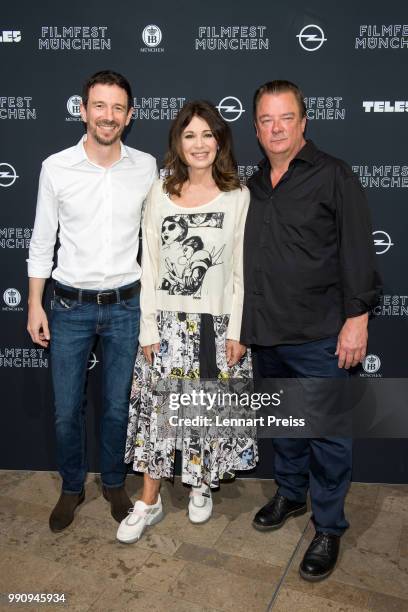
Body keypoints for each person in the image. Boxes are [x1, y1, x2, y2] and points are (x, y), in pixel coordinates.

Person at [241, 80, 381, 581]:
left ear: (304, 121)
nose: (276, 128)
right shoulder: (252, 183)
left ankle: (328, 526)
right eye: (266, 120)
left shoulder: (333, 175)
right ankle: (290, 495)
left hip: (322, 334)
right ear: (255, 128)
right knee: (286, 427)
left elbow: (358, 253)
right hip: (268, 333)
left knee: (328, 435)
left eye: (286, 117)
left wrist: (357, 319)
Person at [116, 100, 257, 544]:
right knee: (157, 414)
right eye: (190, 135)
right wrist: (148, 327)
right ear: (178, 142)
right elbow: (151, 265)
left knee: (206, 408)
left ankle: (200, 484)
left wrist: (237, 329)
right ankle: (149, 500)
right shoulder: (159, 192)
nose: (199, 144)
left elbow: (239, 271)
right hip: (167, 324)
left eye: (207, 135)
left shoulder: (238, 195)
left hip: (214, 325)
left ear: (220, 142)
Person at [27, 70, 156, 532]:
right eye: (99, 106)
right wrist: (34, 304)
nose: (108, 116)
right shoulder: (56, 167)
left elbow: (155, 240)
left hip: (126, 305)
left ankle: (115, 482)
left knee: (119, 405)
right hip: (69, 306)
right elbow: (43, 241)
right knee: (66, 408)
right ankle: (72, 485)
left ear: (130, 115)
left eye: (118, 107)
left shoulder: (145, 167)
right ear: (83, 111)